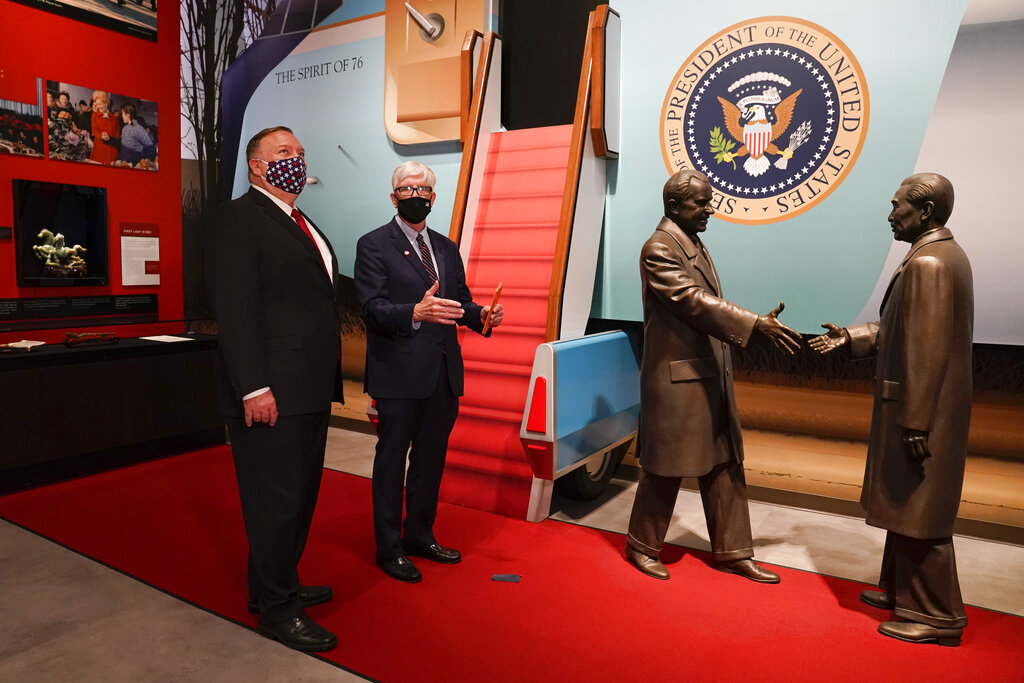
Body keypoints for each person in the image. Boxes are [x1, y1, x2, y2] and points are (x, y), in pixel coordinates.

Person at [809, 173, 972, 646]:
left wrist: (916, 421)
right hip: (927, 408)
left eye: (897, 205)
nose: (889, 214)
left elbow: (926, 350)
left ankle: (937, 617)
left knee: (921, 512)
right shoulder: (942, 255)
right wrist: (851, 337)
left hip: (922, 412)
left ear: (925, 212)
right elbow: (903, 328)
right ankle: (902, 591)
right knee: (907, 504)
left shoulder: (929, 265)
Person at [204, 126, 344, 652]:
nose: (296, 159)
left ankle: (273, 584)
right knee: (275, 500)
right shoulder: (236, 220)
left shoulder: (301, 224)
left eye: (302, 153)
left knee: (299, 495)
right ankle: (279, 611)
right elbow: (235, 309)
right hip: (271, 392)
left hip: (308, 388)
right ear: (257, 166)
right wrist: (253, 387)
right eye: (284, 152)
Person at [625, 169, 801, 583]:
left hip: (705, 374)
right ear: (674, 206)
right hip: (677, 381)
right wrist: (754, 324)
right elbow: (692, 301)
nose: (710, 209)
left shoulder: (691, 243)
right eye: (701, 203)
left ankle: (734, 550)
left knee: (724, 463)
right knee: (665, 468)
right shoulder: (659, 248)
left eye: (709, 201)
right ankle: (641, 545)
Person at [353, 161, 503, 583]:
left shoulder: (446, 247)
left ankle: (420, 534)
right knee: (390, 462)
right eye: (406, 188)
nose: (415, 195)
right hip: (397, 375)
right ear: (393, 196)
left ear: (434, 198)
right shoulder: (373, 245)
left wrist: (482, 316)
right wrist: (413, 312)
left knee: (430, 461)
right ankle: (389, 547)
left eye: (423, 190)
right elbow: (370, 308)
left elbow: (460, 302)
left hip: (442, 374)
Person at [89, 90, 119, 165]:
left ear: (106, 103)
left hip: (111, 149)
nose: (98, 106)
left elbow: (117, 133)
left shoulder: (114, 117)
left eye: (100, 104)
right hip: (100, 148)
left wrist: (111, 139)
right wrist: (101, 135)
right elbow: (94, 130)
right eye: (97, 104)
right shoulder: (95, 115)